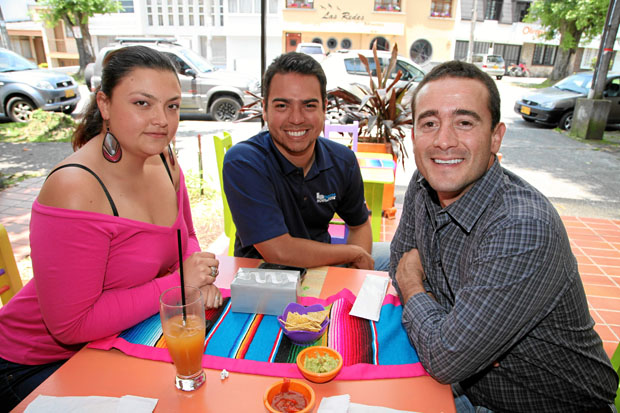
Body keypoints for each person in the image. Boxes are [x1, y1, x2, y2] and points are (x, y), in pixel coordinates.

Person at [0, 46, 222, 412]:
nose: (162, 120)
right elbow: (71, 325)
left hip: (114, 342)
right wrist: (181, 284)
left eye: (172, 105)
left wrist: (197, 273)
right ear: (104, 104)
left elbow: (185, 238)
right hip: (34, 365)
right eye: (142, 103)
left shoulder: (165, 160)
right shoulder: (74, 188)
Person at [389, 60, 618, 412]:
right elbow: (398, 259)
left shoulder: (522, 227)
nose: (443, 141)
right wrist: (457, 329)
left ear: (496, 137)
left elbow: (444, 358)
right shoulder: (425, 181)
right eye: (429, 123)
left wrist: (414, 287)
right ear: (415, 134)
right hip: (468, 383)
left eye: (464, 123)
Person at [223, 52, 389, 270]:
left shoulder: (343, 160)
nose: (296, 118)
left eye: (309, 105)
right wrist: (352, 253)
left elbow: (359, 226)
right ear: (264, 109)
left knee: (402, 257)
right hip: (266, 278)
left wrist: (354, 275)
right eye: (282, 106)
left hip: (324, 267)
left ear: (324, 108)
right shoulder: (245, 161)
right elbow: (278, 251)